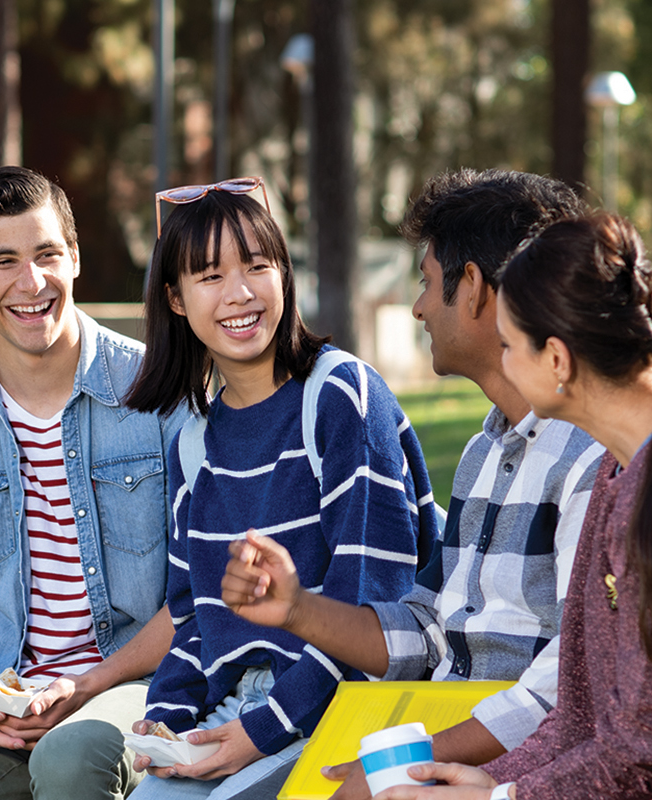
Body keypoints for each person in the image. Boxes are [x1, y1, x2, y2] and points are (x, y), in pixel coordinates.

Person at [368, 214, 652, 799]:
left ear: (557, 361)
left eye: (509, 346)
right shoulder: (621, 466)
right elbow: (580, 709)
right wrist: (495, 779)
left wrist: (505, 797)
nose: (506, 366)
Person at [221, 169, 606, 799]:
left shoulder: (590, 456)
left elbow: (570, 683)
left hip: (512, 766)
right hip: (432, 732)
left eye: (428, 282)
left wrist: (400, 766)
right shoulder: (485, 450)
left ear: (475, 288)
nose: (418, 306)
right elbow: (428, 630)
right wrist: (295, 608)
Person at [120, 178, 439, 800]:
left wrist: (260, 731)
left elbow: (375, 610)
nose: (240, 293)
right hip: (240, 711)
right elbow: (194, 619)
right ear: (176, 300)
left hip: (345, 707)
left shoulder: (340, 395)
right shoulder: (193, 439)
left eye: (258, 266)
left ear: (284, 276)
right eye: (210, 276)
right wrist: (169, 718)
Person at [0, 166, 183, 800]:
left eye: (48, 254)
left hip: (143, 685)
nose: (32, 283)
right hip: (11, 698)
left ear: (74, 257)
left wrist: (87, 685)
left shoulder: (160, 396)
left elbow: (200, 594)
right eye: (2, 261)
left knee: (72, 762)